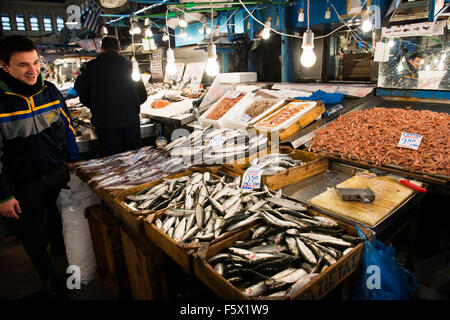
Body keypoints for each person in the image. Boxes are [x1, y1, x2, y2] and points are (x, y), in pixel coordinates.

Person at [0, 35, 79, 299]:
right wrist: (3, 195)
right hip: (24, 183)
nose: (33, 70)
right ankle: (50, 283)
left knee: (60, 222)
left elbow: (65, 126)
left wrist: (71, 156)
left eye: (35, 62)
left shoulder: (51, 91)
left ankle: (65, 263)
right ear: (4, 66)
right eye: (23, 65)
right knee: (34, 236)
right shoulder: (2, 100)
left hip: (56, 172)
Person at [75, 36, 147, 157]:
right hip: (130, 124)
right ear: (119, 50)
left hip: (105, 125)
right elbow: (142, 96)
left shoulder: (91, 67)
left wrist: (98, 107)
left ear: (101, 49)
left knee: (113, 163)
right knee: (134, 161)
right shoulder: (130, 66)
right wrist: (128, 107)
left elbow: (84, 97)